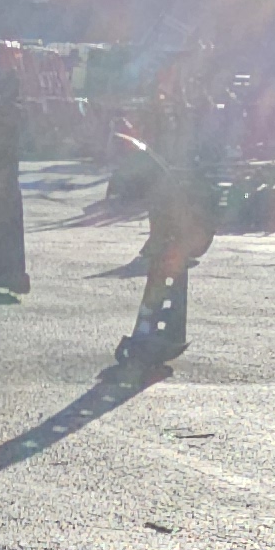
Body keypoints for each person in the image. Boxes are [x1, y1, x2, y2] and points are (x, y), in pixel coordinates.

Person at [114, 98, 215, 378]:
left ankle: (151, 334)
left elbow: (167, 212)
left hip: (181, 234)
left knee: (163, 273)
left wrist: (162, 242)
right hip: (178, 231)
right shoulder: (152, 170)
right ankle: (152, 332)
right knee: (163, 271)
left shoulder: (152, 171)